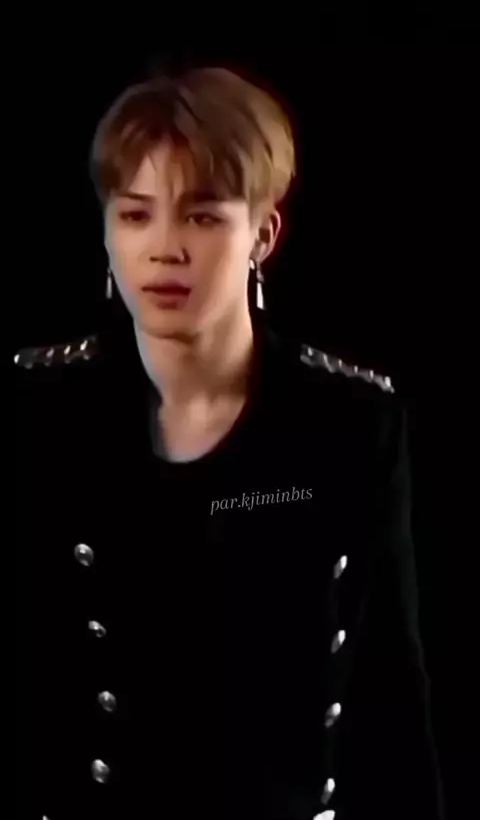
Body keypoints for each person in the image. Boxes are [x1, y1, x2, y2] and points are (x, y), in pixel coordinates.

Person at [14, 66, 445, 820]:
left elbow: (390, 700)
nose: (164, 248)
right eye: (136, 214)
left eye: (203, 216)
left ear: (262, 235)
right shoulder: (42, 413)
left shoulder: (347, 424)